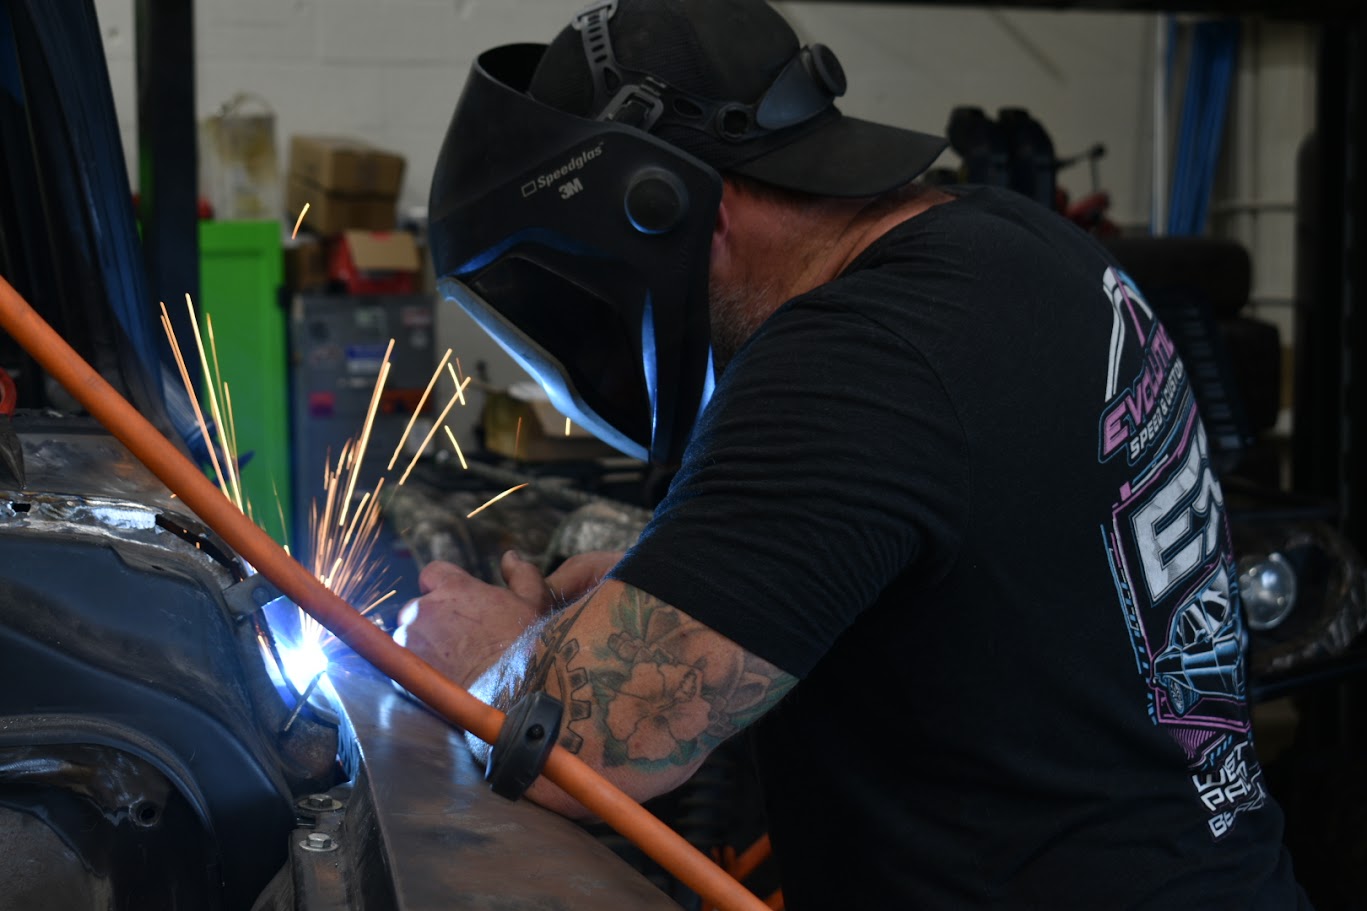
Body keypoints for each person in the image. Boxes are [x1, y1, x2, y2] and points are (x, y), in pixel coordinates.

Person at [397, 0, 1312, 907]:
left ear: (661, 208)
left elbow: (577, 753)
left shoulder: (855, 355)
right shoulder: (1005, 244)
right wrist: (697, 584)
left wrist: (490, 653)